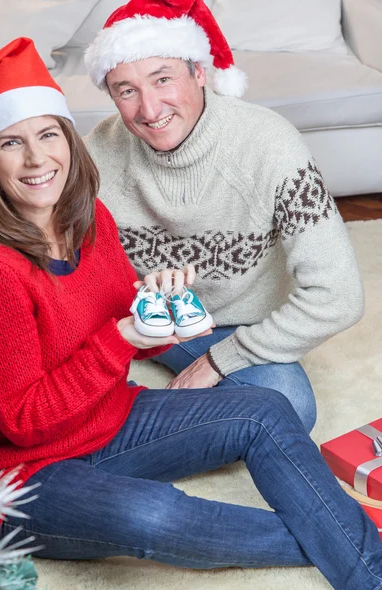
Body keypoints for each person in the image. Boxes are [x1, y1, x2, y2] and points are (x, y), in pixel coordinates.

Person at [0, 37, 382, 590]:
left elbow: (131, 328)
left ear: (68, 141)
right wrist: (120, 337)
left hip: (105, 421)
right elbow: (24, 421)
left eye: (48, 135)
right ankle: (359, 545)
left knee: (267, 409)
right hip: (19, 475)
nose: (36, 159)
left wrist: (159, 304)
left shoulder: (88, 217)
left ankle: (365, 564)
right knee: (155, 516)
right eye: (9, 143)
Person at [83, 0, 364, 434]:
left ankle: (141, 418)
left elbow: (338, 296)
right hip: (135, 318)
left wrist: (220, 361)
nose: (150, 109)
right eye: (126, 90)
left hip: (232, 326)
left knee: (288, 407)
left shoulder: (269, 145)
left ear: (199, 71)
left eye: (163, 80)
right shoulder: (95, 154)